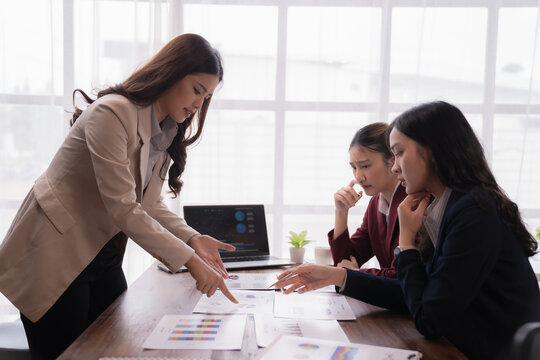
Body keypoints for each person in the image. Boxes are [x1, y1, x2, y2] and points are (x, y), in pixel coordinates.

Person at [0, 33, 238, 360]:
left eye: (206, 97)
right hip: (55, 252)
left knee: (114, 348)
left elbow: (150, 204)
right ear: (171, 72)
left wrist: (193, 238)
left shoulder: (165, 129)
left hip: (100, 253)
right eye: (198, 90)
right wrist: (190, 260)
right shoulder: (112, 113)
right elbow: (124, 208)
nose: (199, 104)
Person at [275, 101, 540, 360]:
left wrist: (407, 242)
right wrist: (338, 275)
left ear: (433, 152)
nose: (395, 166)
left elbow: (429, 318)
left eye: (399, 153)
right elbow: (417, 295)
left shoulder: (473, 213)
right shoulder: (449, 206)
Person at [329, 122, 407, 277]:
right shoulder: (376, 203)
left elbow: (399, 275)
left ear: (392, 160)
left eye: (365, 166)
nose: (359, 177)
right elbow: (344, 262)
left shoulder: (411, 201)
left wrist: (356, 274)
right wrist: (341, 212)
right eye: (354, 167)